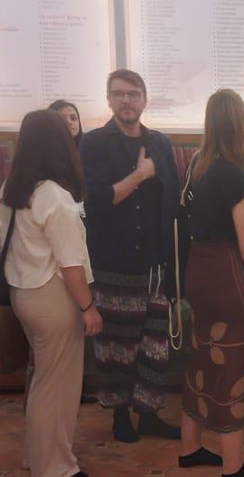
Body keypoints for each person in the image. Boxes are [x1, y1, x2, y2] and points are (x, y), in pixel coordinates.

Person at [0, 109, 102, 477]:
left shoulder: (14, 188)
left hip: (23, 293)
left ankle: (37, 457)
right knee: (57, 386)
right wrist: (88, 306)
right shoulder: (53, 194)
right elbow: (71, 263)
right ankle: (54, 467)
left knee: (42, 380)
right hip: (54, 298)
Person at [178, 89, 244, 477]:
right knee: (234, 365)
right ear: (239, 124)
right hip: (228, 275)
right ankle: (232, 468)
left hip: (196, 273)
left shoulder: (197, 167)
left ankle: (190, 448)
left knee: (201, 361)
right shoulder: (234, 174)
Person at [80, 69, 181, 443]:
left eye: (133, 94)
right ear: (108, 100)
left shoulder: (160, 142)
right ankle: (120, 416)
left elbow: (171, 202)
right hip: (112, 262)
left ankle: (150, 413)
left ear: (144, 99)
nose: (126, 100)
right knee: (116, 348)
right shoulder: (93, 143)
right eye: (119, 94)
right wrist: (138, 177)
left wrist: (173, 265)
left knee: (155, 346)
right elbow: (95, 202)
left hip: (154, 265)